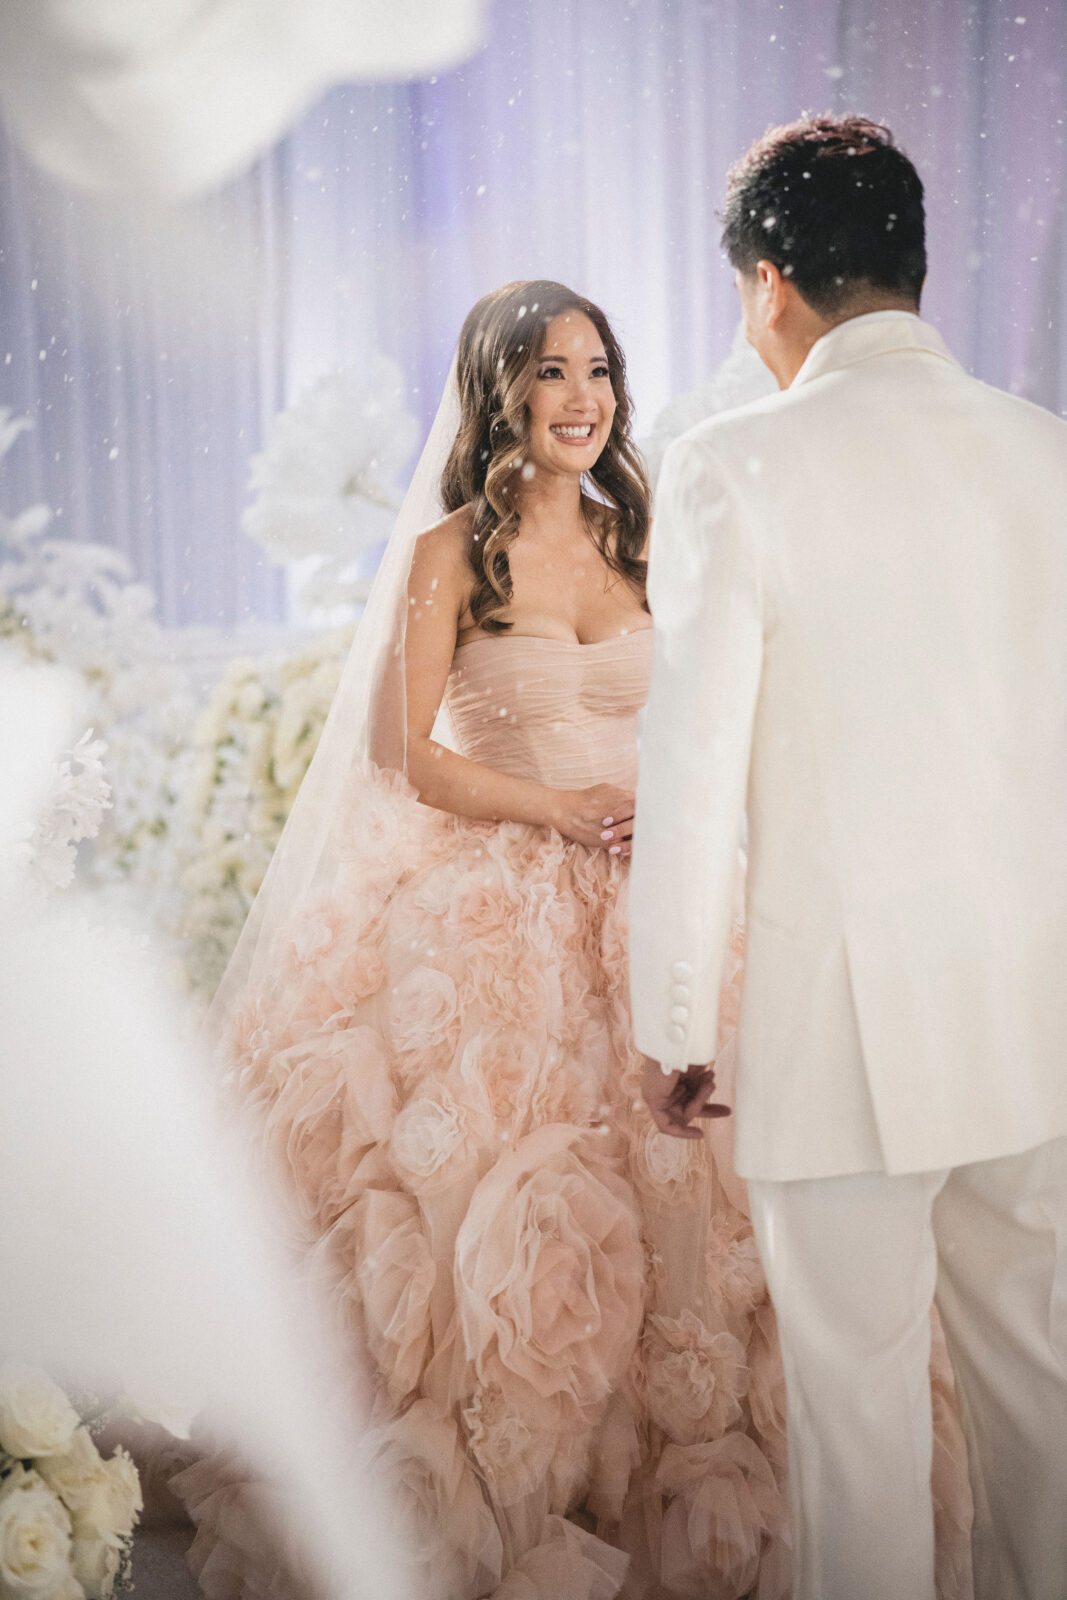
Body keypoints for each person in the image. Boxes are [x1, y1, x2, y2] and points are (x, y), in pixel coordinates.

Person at [202, 280, 793, 1600]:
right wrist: (561, 807)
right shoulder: (447, 555)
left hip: (658, 896)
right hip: (501, 903)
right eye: (554, 372)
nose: (584, 397)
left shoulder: (645, 537)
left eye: (600, 371)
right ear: (500, 392)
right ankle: (515, 1492)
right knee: (506, 1189)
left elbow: (713, 713)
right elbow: (401, 754)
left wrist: (676, 814)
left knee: (699, 1189)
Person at [631, 114, 1067, 1600]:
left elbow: (690, 775)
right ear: (914, 266)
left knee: (860, 1432)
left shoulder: (734, 464)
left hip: (849, 1027)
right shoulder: (1044, 451)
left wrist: (675, 1020)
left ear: (767, 283)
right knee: (1047, 1405)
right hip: (1040, 1012)